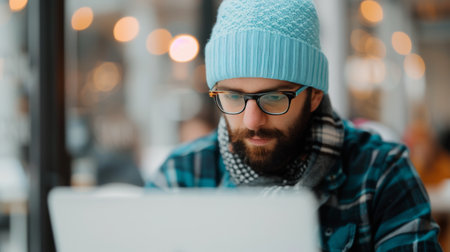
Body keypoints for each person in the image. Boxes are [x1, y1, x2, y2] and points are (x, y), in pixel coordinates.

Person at [146, 0, 442, 250]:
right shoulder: (180, 179)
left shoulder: (380, 174)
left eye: (274, 97)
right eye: (233, 96)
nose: (252, 121)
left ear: (313, 95)